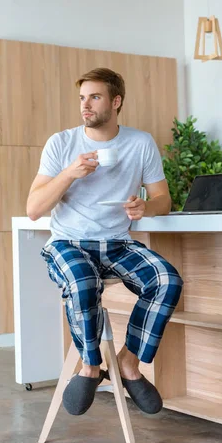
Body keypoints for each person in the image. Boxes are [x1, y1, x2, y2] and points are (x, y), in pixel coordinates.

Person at [26, 68, 183, 416]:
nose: (86, 105)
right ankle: (90, 367)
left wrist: (147, 206)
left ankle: (128, 363)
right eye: (82, 98)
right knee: (83, 282)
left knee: (167, 280)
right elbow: (34, 208)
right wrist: (70, 173)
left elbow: (163, 200)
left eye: (94, 97)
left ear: (116, 101)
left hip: (116, 242)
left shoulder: (140, 143)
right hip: (68, 241)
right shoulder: (62, 143)